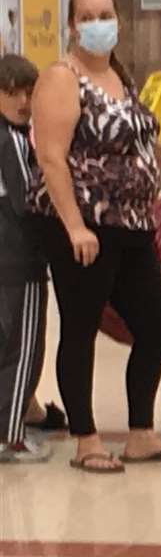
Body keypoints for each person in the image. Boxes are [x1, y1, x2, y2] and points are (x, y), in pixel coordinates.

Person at [30, 0, 161, 473]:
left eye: (105, 14)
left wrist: (158, 155)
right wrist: (75, 226)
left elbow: (122, 139)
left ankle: (140, 434)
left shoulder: (118, 75)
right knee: (80, 328)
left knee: (155, 324)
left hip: (133, 225)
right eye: (87, 16)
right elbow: (51, 157)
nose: (98, 23)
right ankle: (86, 439)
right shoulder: (62, 78)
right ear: (72, 25)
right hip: (84, 226)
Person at [0, 55, 48, 463]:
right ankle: (11, 435)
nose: (21, 101)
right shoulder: (13, 141)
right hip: (20, 260)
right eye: (11, 92)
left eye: (28, 92)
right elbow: (28, 200)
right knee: (23, 348)